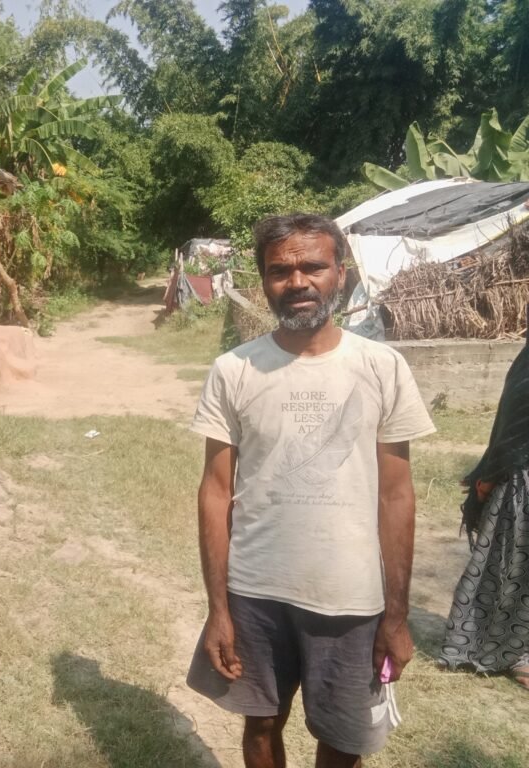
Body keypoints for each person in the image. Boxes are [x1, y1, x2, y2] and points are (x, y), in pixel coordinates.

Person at [186, 214, 435, 768]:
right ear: (263, 281)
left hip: (350, 597)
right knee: (260, 723)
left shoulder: (382, 367)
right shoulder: (234, 370)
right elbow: (215, 491)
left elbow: (396, 497)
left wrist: (395, 616)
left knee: (343, 738)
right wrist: (219, 609)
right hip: (255, 592)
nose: (297, 281)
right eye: (280, 270)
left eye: (313, 267)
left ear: (340, 273)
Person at [438, 344, 529, 687]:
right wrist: (488, 476)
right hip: (521, 479)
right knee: (509, 568)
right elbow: (514, 423)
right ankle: (508, 650)